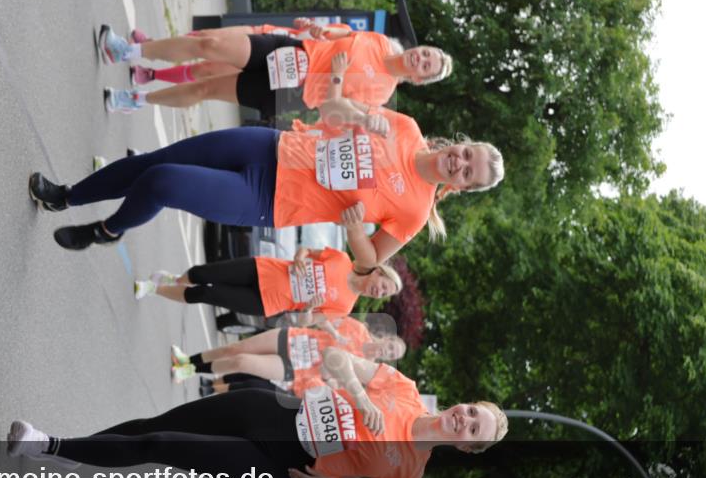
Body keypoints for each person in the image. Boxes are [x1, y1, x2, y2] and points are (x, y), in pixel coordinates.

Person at [28, 63, 504, 263]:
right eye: (468, 154)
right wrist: (360, 117)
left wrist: (356, 232)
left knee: (162, 182)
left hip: (269, 199)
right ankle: (66, 196)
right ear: (463, 144)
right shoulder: (407, 127)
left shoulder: (415, 211)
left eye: (468, 173)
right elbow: (330, 110)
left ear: (462, 187)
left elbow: (370, 261)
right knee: (155, 161)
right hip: (269, 146)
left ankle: (107, 230)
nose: (459, 163)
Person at [6, 349, 509, 478]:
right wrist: (359, 397)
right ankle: (74, 451)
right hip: (276, 411)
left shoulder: (408, 476)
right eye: (471, 411)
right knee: (153, 426)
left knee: (161, 445)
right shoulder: (403, 388)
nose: (463, 419)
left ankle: (48, 443)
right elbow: (336, 359)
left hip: (280, 463)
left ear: (468, 448)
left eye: (473, 429)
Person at [98, 23, 451, 117]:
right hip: (291, 52)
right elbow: (338, 36)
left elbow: (334, 109)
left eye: (426, 66)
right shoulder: (380, 41)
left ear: (419, 79)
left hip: (290, 92)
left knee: (206, 89)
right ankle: (127, 50)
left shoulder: (382, 94)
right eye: (426, 53)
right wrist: (317, 30)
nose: (420, 58)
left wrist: (337, 77)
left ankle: (136, 100)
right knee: (210, 44)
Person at [132, 251, 400, 336]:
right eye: (383, 285)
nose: (378, 291)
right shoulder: (341, 259)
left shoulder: (345, 306)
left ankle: (154, 289)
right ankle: (175, 280)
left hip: (266, 301)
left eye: (382, 294)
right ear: (378, 272)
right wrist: (299, 259)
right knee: (202, 274)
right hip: (263, 269)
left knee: (204, 294)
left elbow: (306, 321)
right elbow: (306, 251)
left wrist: (309, 307)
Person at [171, 315, 406, 389]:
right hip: (294, 339)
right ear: (387, 338)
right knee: (235, 348)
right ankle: (187, 360)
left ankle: (189, 371)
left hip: (298, 368)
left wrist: (330, 373)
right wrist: (334, 332)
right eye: (390, 346)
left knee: (241, 362)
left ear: (387, 359)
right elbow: (322, 318)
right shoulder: (358, 329)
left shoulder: (364, 368)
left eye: (391, 354)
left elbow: (334, 383)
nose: (387, 350)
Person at [127, 19, 353, 86]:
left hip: (276, 65)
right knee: (206, 38)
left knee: (205, 69)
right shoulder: (348, 33)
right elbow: (307, 30)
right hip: (268, 35)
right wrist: (307, 25)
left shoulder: (357, 79)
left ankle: (152, 75)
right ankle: (151, 48)